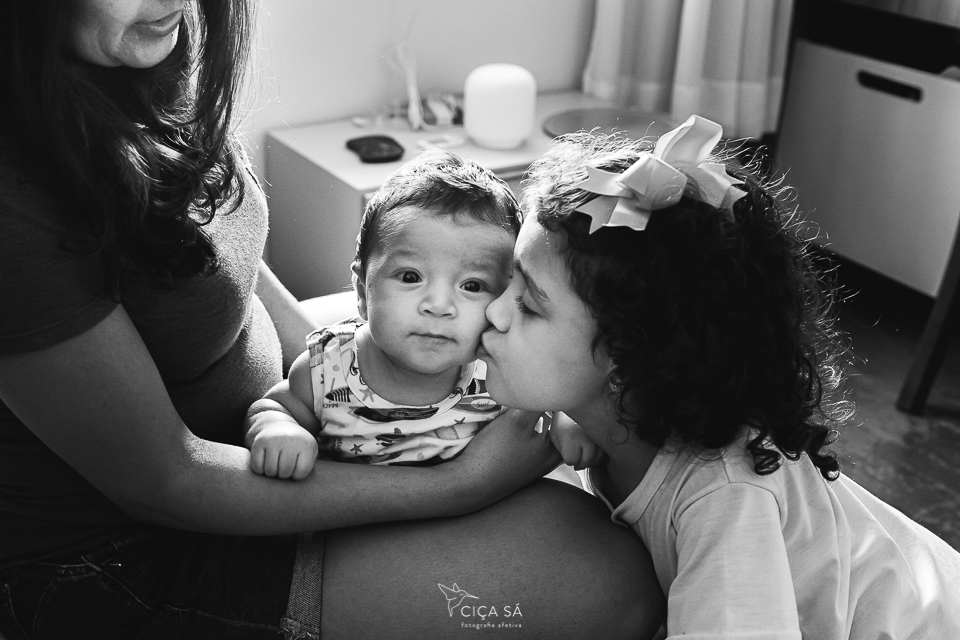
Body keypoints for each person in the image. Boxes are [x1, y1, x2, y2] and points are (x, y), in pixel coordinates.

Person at [0, 1, 667, 638]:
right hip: (122, 560)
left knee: (592, 524)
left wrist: (340, 360)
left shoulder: (144, 65)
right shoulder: (15, 200)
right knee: (614, 589)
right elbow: (165, 481)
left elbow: (226, 271)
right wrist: (459, 486)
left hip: (280, 467)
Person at [478, 115, 960, 639]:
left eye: (528, 305)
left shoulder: (725, 496)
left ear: (625, 359)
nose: (493, 312)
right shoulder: (609, 418)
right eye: (507, 282)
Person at [244, 150, 518, 475]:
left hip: (476, 507)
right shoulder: (329, 368)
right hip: (355, 504)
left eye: (472, 286)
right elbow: (274, 406)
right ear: (362, 292)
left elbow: (543, 410)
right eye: (410, 277)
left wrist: (565, 424)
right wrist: (277, 428)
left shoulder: (499, 371)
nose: (439, 306)